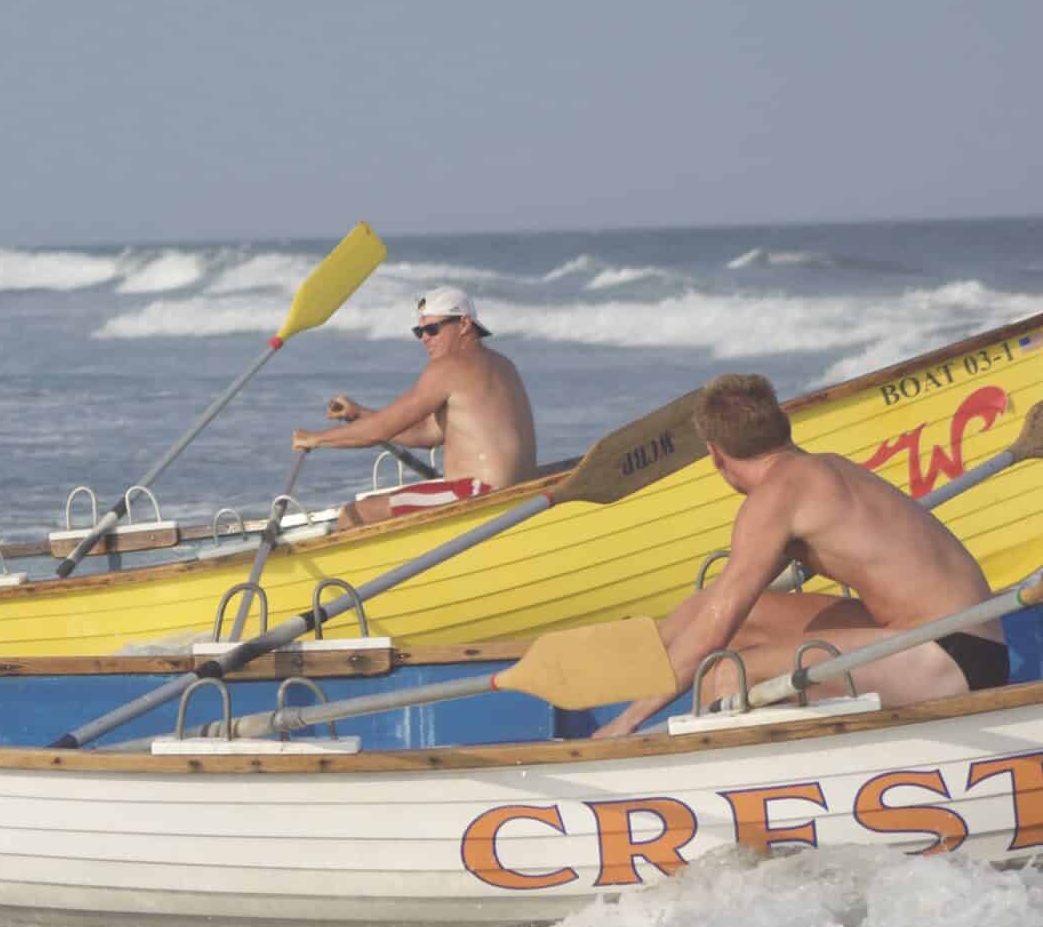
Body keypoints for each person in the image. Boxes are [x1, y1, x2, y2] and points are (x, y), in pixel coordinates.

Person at [593, 373, 1008, 738]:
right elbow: (715, 610)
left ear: (715, 454)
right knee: (713, 608)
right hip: (942, 633)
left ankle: (715, 773)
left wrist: (628, 722)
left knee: (724, 676)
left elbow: (712, 635)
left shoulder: (774, 499)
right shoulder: (825, 468)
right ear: (782, 427)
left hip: (953, 656)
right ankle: (610, 689)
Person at [291, 287, 539, 529]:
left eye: (433, 329)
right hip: (517, 492)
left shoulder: (448, 367)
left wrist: (315, 438)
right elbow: (427, 433)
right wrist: (359, 414)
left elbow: (376, 433)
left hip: (479, 495)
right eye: (419, 331)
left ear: (464, 325)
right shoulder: (503, 365)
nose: (425, 338)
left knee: (355, 514)